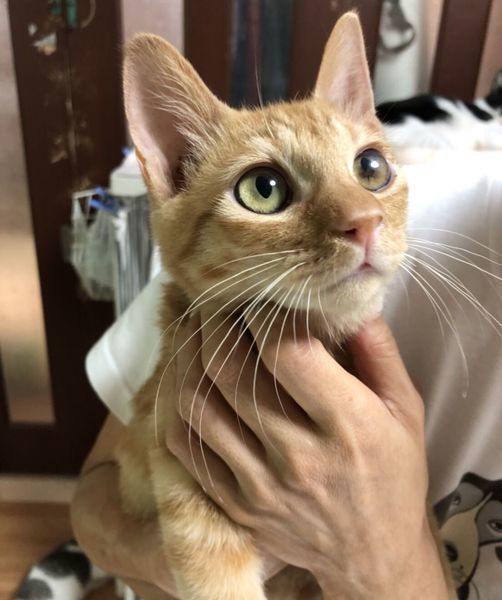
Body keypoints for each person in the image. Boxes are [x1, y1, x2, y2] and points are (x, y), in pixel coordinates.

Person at [71, 150, 502, 599]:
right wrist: (175, 559)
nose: (362, 217)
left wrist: (385, 562)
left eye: (368, 171)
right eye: (265, 189)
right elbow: (96, 493)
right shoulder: (223, 284)